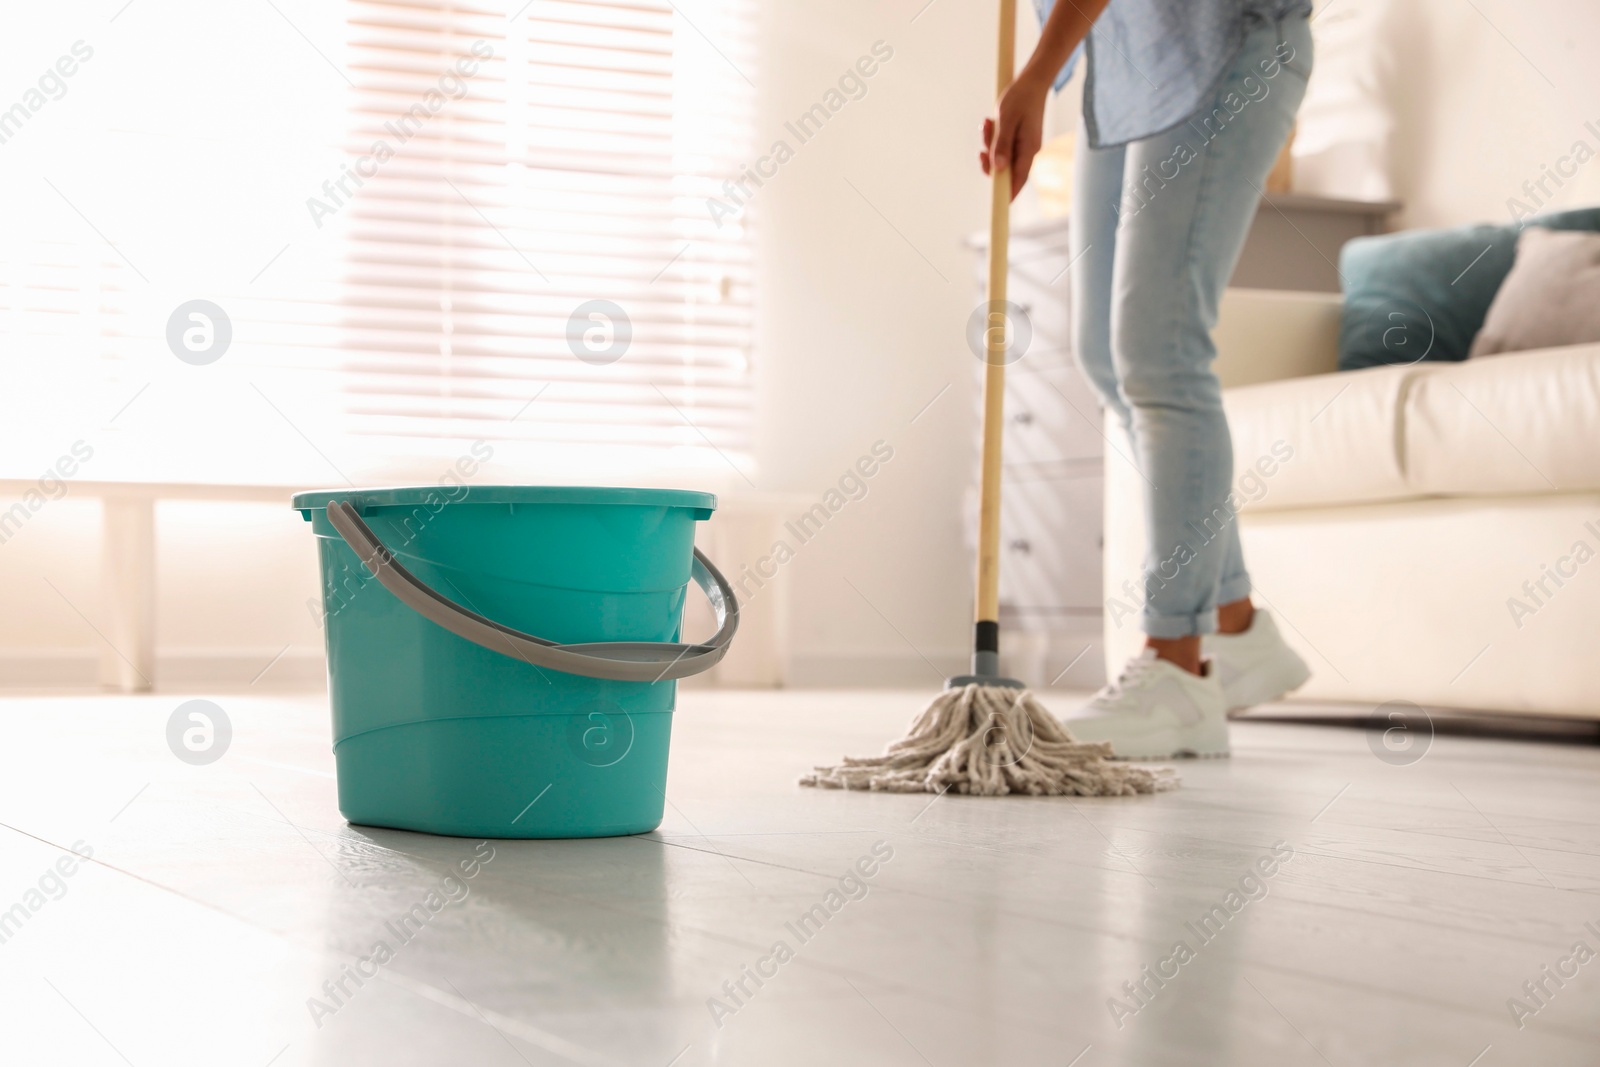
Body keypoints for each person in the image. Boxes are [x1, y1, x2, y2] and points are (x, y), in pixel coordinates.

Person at [981, 0, 1315, 758]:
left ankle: (1176, 666)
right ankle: (1236, 628)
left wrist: (1034, 78)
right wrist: (1035, 74)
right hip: (1129, 63)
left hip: (1227, 41)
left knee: (1159, 351)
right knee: (1106, 352)